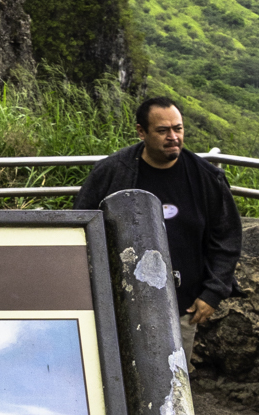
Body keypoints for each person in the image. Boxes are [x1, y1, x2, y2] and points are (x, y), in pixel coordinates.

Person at [74, 96, 241, 334]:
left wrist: (212, 293)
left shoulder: (206, 178)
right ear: (141, 132)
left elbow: (227, 238)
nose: (173, 137)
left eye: (178, 129)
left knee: (177, 359)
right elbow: (81, 227)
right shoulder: (112, 172)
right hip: (118, 305)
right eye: (163, 130)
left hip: (183, 307)